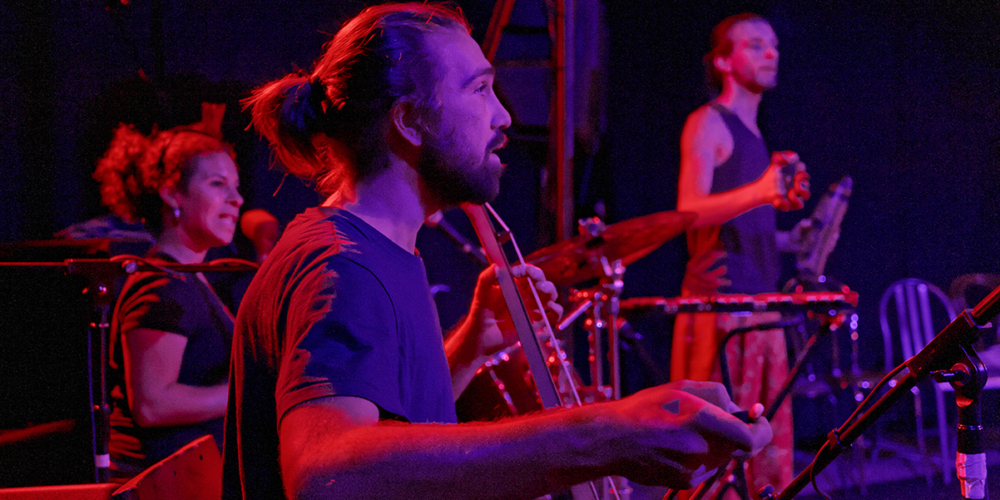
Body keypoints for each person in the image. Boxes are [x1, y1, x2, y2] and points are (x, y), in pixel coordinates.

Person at [223, 4, 772, 500]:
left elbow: (392, 423)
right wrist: (605, 435)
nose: (503, 116)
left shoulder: (381, 251)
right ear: (410, 120)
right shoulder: (342, 267)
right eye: (480, 89)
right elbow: (325, 475)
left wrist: (468, 348)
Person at [670, 13, 809, 496]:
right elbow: (689, 211)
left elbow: (738, 223)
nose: (771, 53)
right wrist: (763, 190)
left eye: (773, 45)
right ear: (724, 62)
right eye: (755, 45)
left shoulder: (753, 132)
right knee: (717, 456)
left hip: (759, 307)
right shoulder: (708, 122)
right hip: (722, 309)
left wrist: (789, 239)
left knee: (763, 458)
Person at [97, 120, 244, 479]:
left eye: (236, 187)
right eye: (217, 184)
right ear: (172, 194)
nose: (236, 199)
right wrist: (247, 391)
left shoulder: (189, 278)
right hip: (161, 484)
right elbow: (152, 404)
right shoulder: (162, 285)